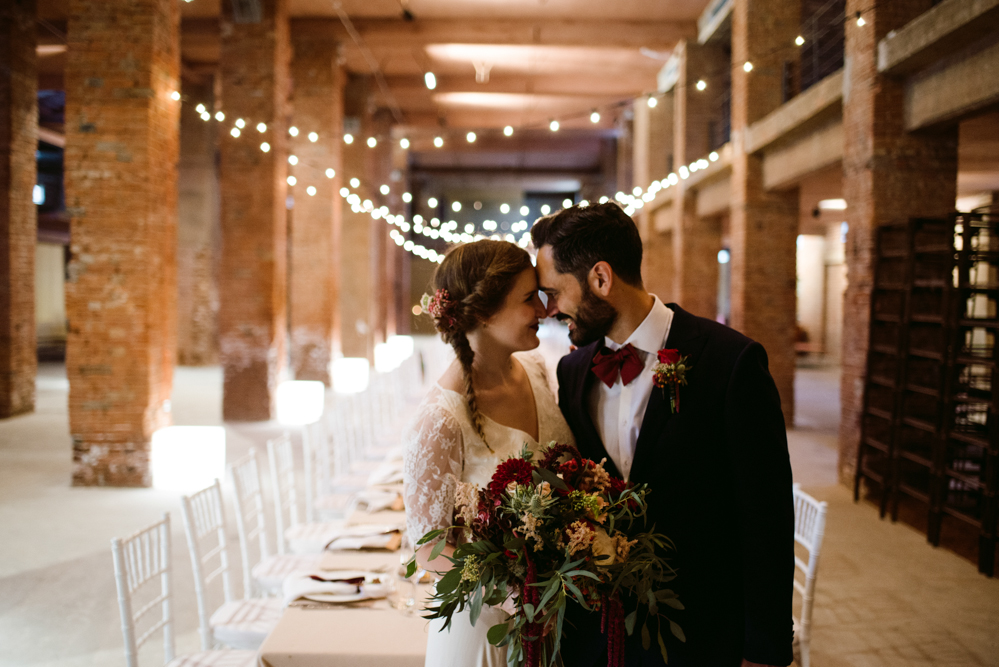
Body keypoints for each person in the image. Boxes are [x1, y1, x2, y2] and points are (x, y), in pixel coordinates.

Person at [531, 202, 794, 667]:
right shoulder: (573, 371)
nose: (550, 309)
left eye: (554, 292)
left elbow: (766, 516)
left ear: (600, 278)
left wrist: (765, 649)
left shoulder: (730, 362)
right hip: (603, 636)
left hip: (704, 630)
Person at [402, 239, 577, 667]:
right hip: (488, 631)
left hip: (559, 623)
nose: (542, 309)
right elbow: (427, 548)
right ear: (483, 312)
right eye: (527, 299)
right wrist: (510, 589)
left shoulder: (537, 372)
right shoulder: (441, 418)